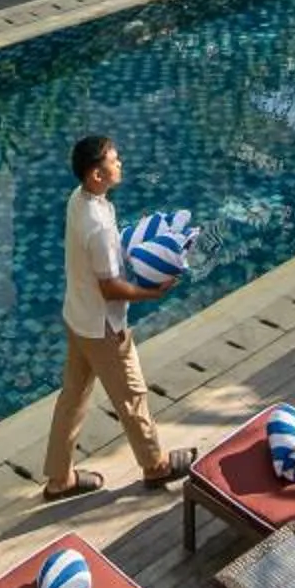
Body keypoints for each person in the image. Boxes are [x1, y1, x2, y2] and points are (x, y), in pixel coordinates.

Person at [42, 133, 197, 499]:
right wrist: (152, 292)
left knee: (73, 398)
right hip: (104, 327)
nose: (120, 163)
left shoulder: (78, 200)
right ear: (96, 174)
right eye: (114, 159)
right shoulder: (96, 225)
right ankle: (155, 466)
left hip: (78, 318)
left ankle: (59, 478)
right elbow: (110, 287)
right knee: (132, 396)